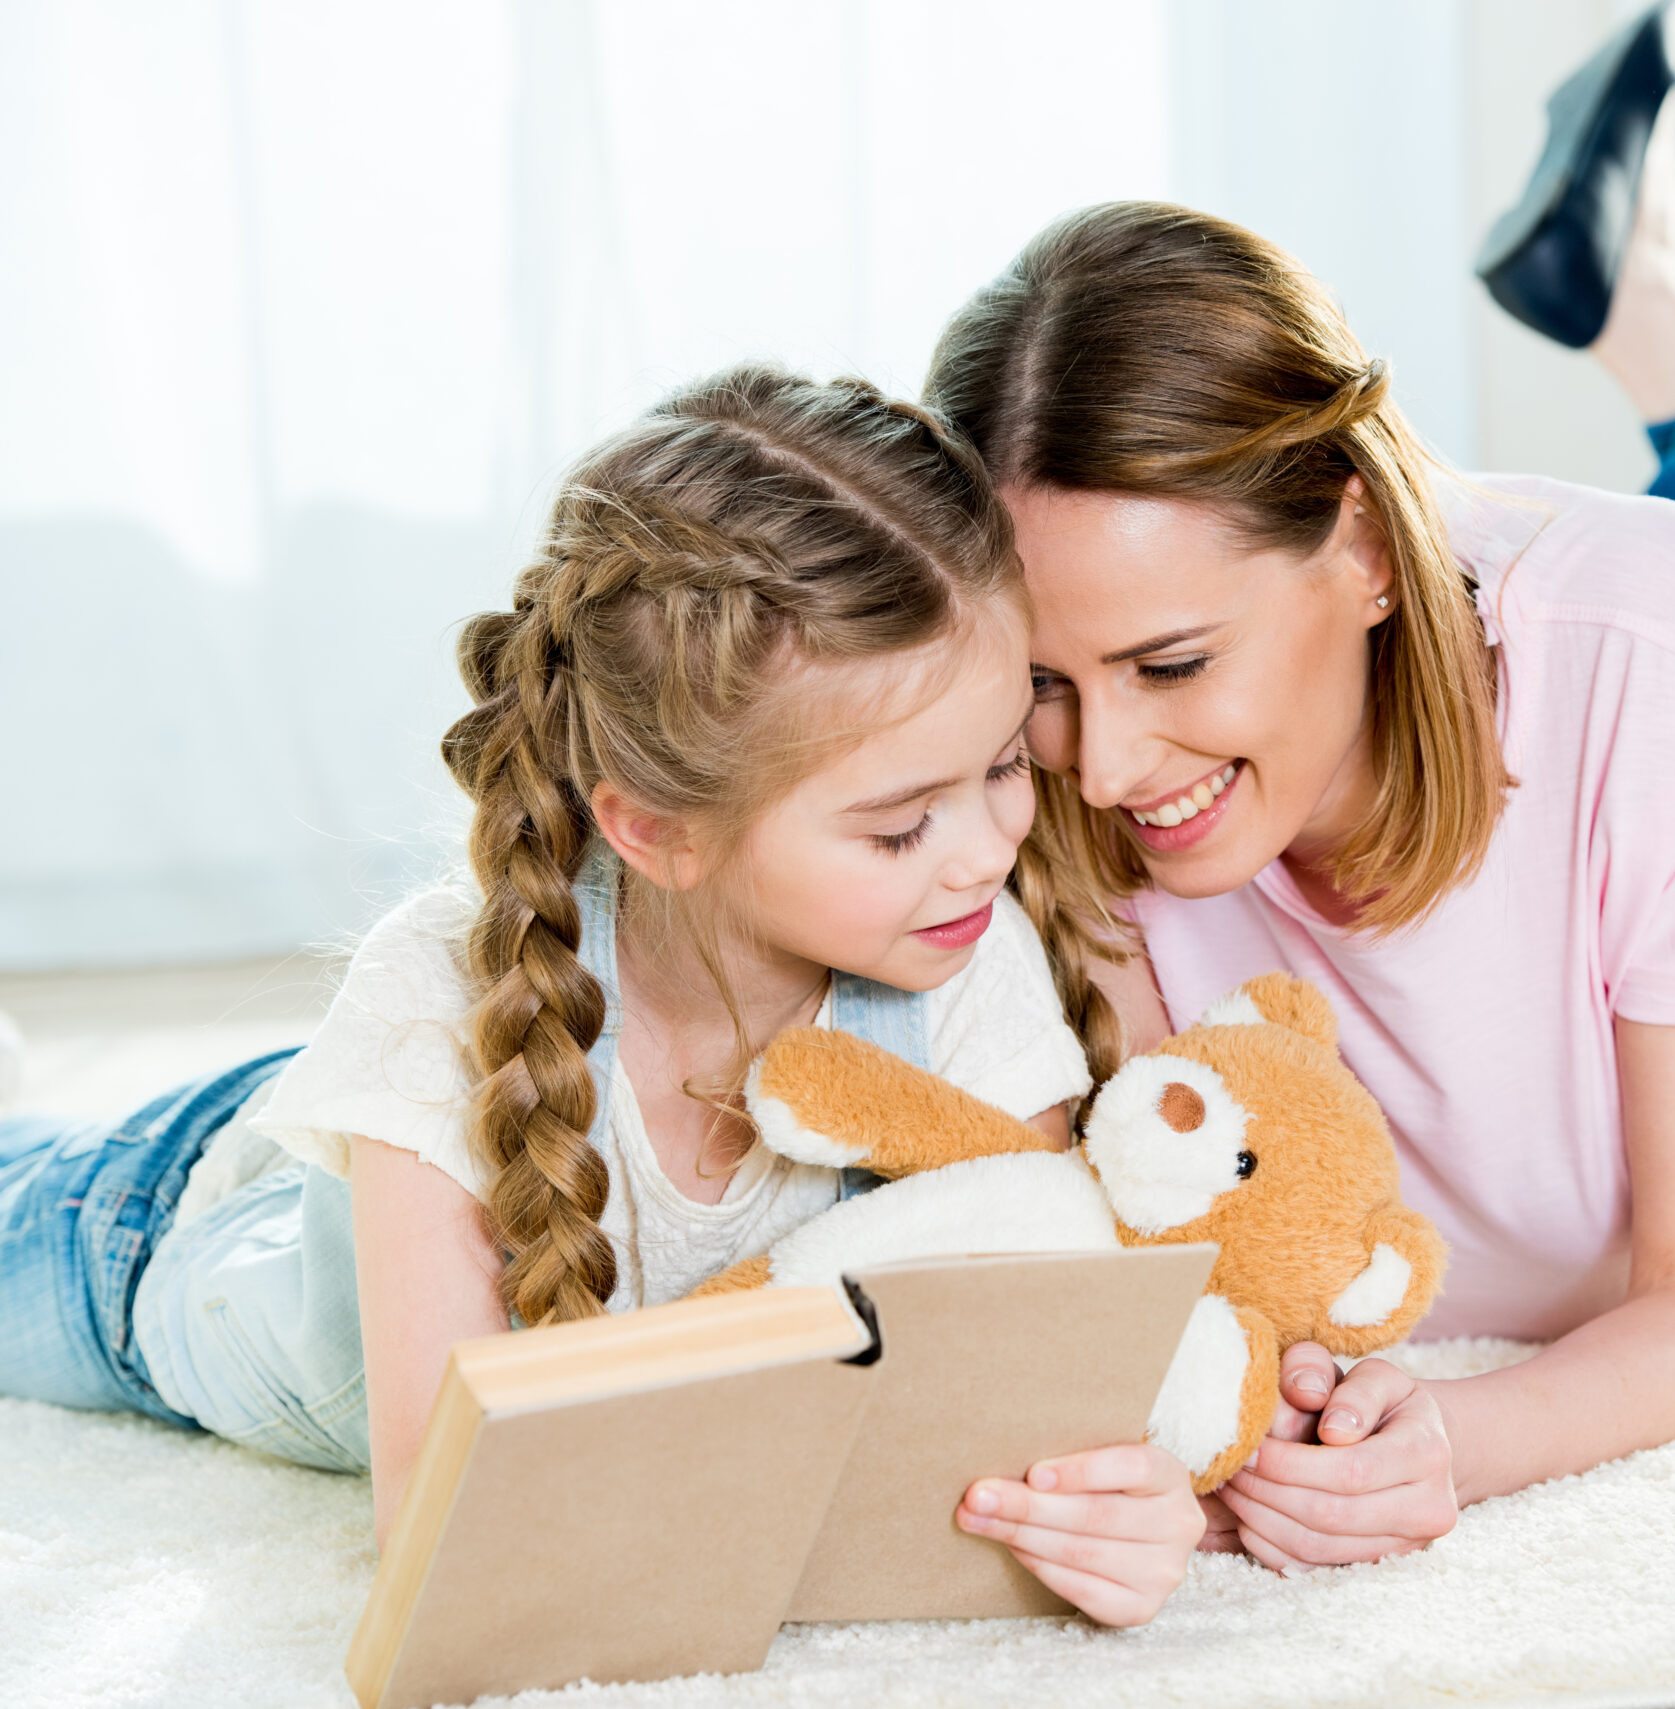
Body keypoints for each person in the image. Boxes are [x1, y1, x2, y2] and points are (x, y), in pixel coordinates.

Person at [925, 5, 1675, 1577]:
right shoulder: (1045, 778)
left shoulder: (1644, 636)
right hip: (1643, 845)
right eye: (1050, 685)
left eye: (1172, 664)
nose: (1102, 766)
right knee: (1670, 619)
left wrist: (1463, 1439)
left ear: (1368, 549)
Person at [0, 366, 1204, 1628]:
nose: (985, 848)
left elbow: (1031, 1404)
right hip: (165, 1225)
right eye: (901, 825)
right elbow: (449, 1534)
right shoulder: (440, 995)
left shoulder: (965, 957)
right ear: (656, 827)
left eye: (1007, 761)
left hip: (363, 1122)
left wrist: (1117, 1506)